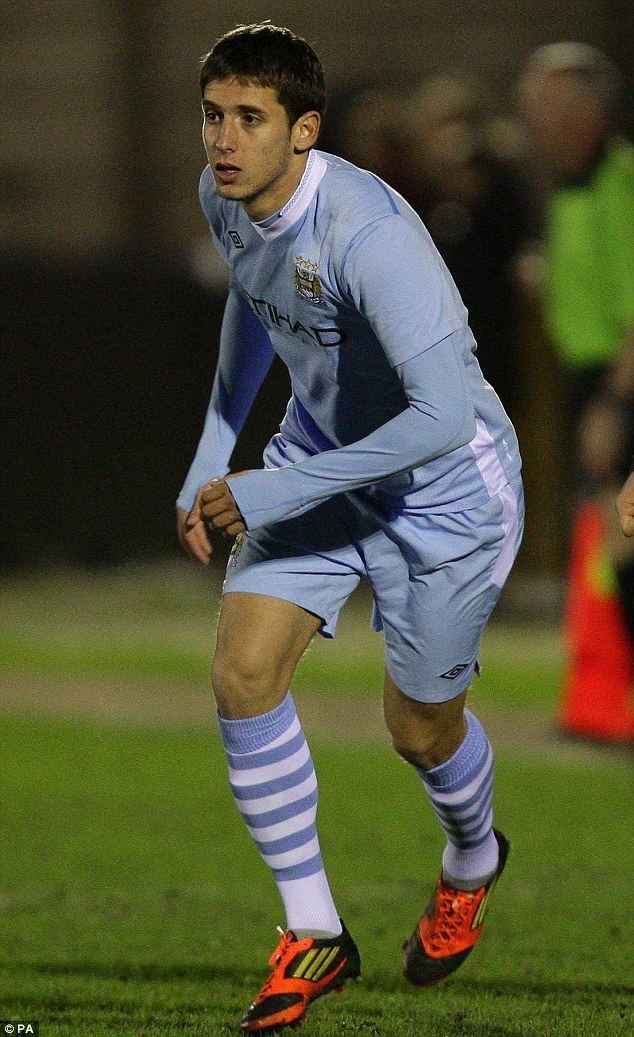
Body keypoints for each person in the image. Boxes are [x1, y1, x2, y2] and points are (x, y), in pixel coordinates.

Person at [177, 24, 524, 1034]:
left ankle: (471, 855)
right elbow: (254, 303)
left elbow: (436, 416)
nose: (223, 140)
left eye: (249, 119)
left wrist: (272, 492)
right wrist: (214, 449)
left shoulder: (368, 230)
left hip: (447, 490)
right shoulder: (225, 198)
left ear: (305, 130)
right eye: (212, 115)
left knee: (416, 727)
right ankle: (314, 930)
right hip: (320, 459)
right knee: (242, 671)